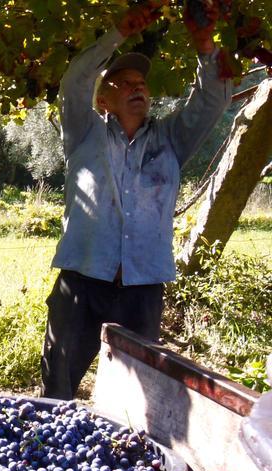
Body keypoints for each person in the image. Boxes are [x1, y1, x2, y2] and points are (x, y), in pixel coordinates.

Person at [42, 1, 231, 400]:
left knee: (139, 401)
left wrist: (204, 46)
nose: (138, 87)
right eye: (123, 82)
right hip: (81, 282)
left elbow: (212, 100)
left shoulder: (171, 141)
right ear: (103, 101)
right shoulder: (84, 135)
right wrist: (117, 33)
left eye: (141, 84)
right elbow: (75, 81)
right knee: (57, 388)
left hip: (142, 290)